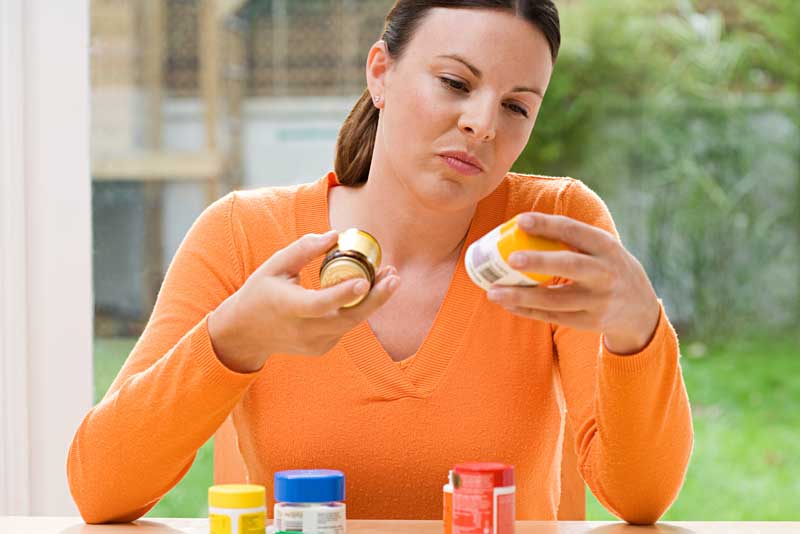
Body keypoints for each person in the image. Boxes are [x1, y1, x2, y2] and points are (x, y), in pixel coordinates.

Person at [68, 0, 692, 525]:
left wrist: (637, 329)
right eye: (454, 83)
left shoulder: (550, 231)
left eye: (516, 105)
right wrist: (232, 340)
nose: (481, 124)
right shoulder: (243, 236)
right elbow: (101, 488)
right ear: (381, 72)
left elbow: (638, 499)